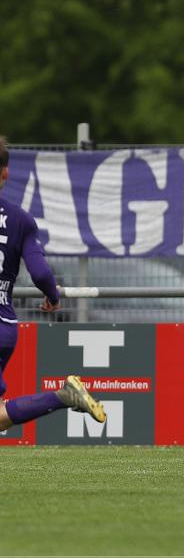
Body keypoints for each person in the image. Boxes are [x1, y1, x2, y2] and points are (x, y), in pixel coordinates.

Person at [0, 136, 106, 432]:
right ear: (5, 174)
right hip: (4, 326)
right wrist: (53, 296)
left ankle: (63, 397)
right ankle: (64, 395)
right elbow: (42, 273)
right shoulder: (21, 220)